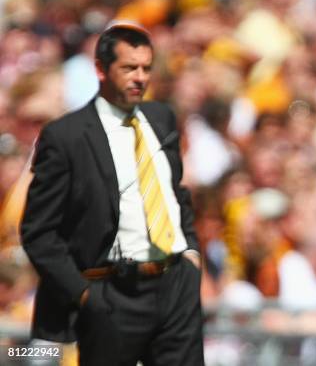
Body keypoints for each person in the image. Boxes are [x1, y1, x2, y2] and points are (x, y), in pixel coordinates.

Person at [20, 24, 204, 365]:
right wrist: (85, 294)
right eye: (128, 68)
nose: (139, 78)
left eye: (146, 68)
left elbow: (175, 192)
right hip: (112, 290)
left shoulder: (161, 118)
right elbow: (38, 231)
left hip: (176, 284)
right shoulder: (67, 136)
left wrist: (191, 252)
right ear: (101, 70)